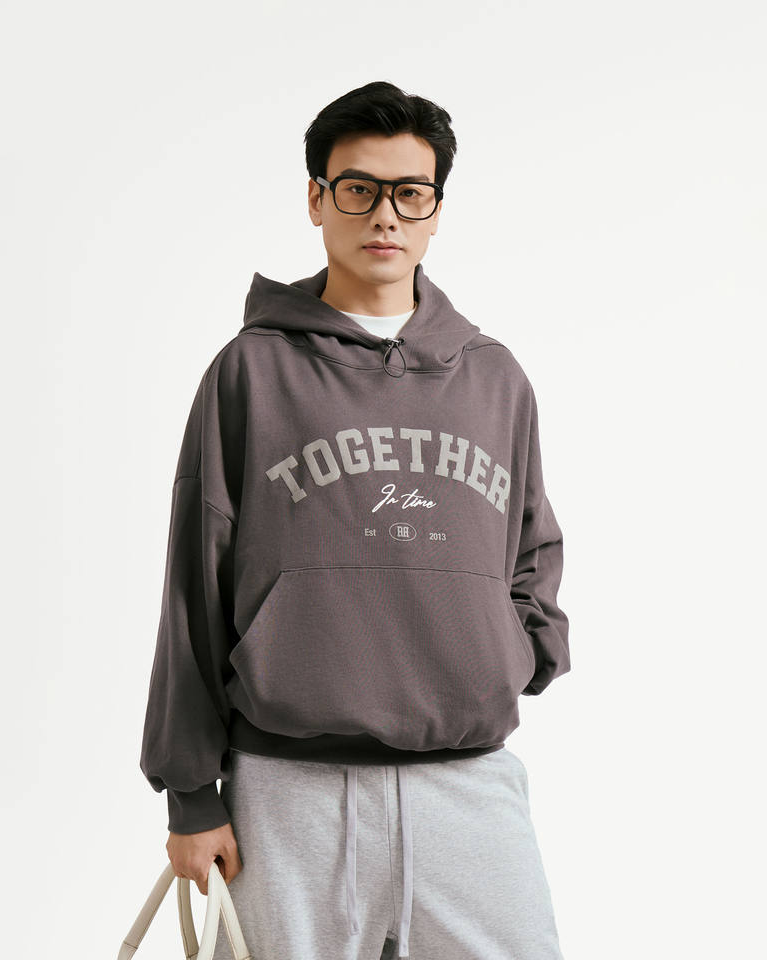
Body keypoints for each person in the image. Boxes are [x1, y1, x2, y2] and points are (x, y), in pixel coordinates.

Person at [139, 80, 571, 960]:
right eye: (359, 189)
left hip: (467, 785)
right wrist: (191, 796)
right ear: (317, 199)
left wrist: (518, 650)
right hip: (288, 791)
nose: (385, 215)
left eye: (410, 193)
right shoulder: (250, 372)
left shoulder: (494, 376)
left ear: (436, 210)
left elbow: (531, 549)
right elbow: (194, 586)